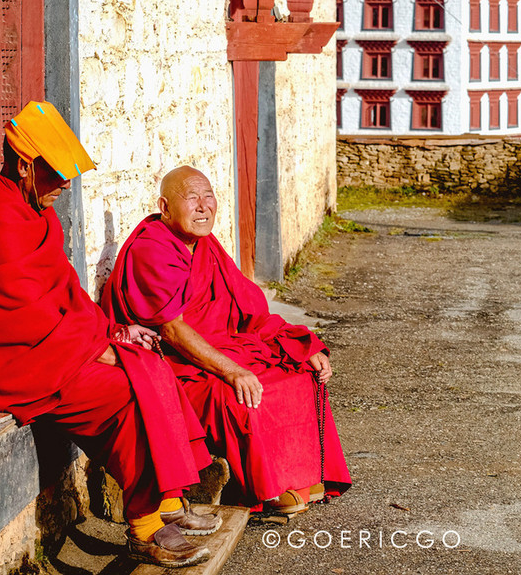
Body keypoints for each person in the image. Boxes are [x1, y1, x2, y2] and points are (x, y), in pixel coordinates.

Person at [0, 102, 221, 567]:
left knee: (148, 365)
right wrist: (97, 349)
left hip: (52, 347)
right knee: (124, 393)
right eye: (56, 173)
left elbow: (66, 295)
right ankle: (145, 525)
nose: (65, 184)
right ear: (25, 165)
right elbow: (23, 316)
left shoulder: (35, 211)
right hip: (9, 360)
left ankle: (169, 501)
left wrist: (112, 333)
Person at [102, 166, 351, 517]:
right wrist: (233, 371)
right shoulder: (152, 249)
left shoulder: (206, 246)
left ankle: (303, 475)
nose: (204, 207)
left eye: (209, 196)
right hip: (178, 361)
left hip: (224, 345)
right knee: (240, 395)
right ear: (165, 205)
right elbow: (172, 330)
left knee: (298, 373)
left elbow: (248, 310)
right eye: (192, 198)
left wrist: (300, 343)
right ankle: (269, 487)